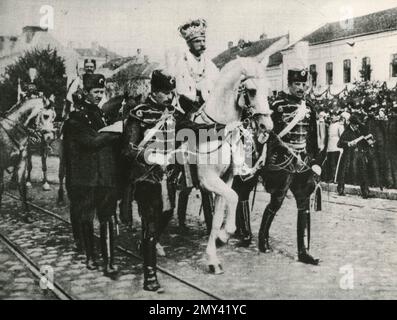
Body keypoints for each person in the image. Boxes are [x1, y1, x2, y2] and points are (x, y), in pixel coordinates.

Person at [258, 68, 321, 265]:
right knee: (276, 201)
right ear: (289, 84)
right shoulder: (276, 105)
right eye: (297, 85)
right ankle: (262, 236)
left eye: (304, 84)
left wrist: (315, 162)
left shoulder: (309, 107)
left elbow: (312, 139)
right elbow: (268, 133)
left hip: (301, 162)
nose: (302, 88)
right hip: (282, 161)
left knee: (304, 204)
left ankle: (303, 250)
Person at [63, 73, 121, 278]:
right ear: (86, 93)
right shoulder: (75, 118)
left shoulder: (103, 116)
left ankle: (110, 262)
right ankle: (90, 256)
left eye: (101, 92)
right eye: (95, 92)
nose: (99, 95)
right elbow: (92, 141)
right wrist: (116, 131)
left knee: (108, 218)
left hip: (105, 177)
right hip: (85, 179)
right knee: (87, 218)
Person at [170, 18, 219, 233]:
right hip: (186, 114)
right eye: (198, 41)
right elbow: (181, 91)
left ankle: (211, 225)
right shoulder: (182, 62)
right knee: (187, 171)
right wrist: (195, 99)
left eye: (203, 40)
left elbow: (216, 85)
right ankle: (179, 177)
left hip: (205, 115)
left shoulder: (209, 64)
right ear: (189, 43)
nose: (202, 45)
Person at [336, 115, 372, 198]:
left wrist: (368, 141)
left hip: (358, 154)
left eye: (358, 124)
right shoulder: (346, 132)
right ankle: (340, 189)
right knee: (343, 171)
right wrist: (348, 143)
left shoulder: (357, 131)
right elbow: (339, 143)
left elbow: (361, 140)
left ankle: (365, 191)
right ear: (352, 124)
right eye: (356, 124)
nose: (357, 126)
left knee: (362, 171)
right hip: (348, 155)